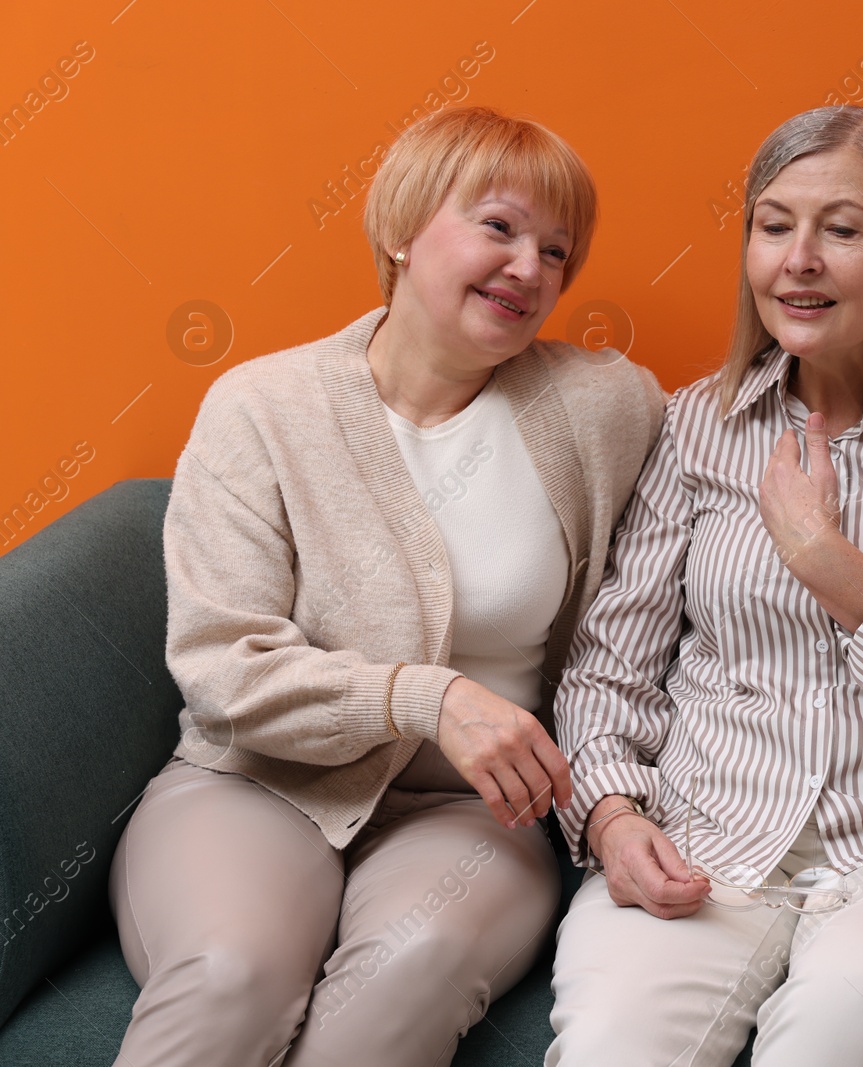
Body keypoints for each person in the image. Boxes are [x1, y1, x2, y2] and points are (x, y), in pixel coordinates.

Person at [107, 106, 664, 1067]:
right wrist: (425, 695)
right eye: (498, 227)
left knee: (409, 966)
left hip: (475, 812)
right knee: (231, 974)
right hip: (258, 784)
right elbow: (221, 663)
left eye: (557, 250)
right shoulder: (262, 407)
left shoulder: (604, 406)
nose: (530, 268)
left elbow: (749, 435)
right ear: (401, 231)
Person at [543, 104, 863, 1066]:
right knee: (612, 1044)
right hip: (705, 834)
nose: (799, 259)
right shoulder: (696, 421)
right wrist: (614, 817)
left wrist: (833, 567)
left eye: (841, 229)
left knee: (840, 1024)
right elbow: (606, 675)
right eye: (774, 224)